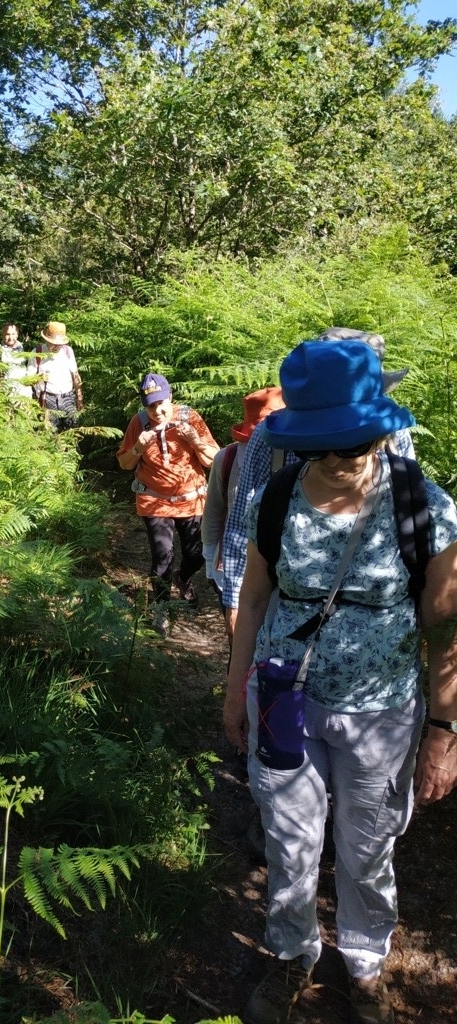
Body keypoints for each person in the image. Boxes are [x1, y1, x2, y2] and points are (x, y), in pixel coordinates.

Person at [222, 340, 457, 1024]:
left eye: (354, 440)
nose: (343, 455)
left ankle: (364, 961)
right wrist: (236, 687)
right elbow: (256, 600)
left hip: (382, 713)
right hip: (282, 699)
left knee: (367, 846)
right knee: (290, 842)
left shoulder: (426, 508)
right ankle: (291, 955)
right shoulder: (275, 498)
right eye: (328, 443)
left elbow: (445, 632)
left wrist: (443, 733)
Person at [221, 328, 413, 637]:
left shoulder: (394, 433)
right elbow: (242, 521)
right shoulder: (270, 438)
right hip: (284, 601)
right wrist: (235, 601)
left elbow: (409, 505)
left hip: (380, 610)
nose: (333, 459)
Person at [117, 373, 219, 637]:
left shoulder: (190, 418)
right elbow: (124, 464)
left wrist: (195, 441)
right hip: (154, 501)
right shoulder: (138, 424)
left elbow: (213, 461)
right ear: (144, 405)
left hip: (191, 499)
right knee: (162, 557)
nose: (157, 410)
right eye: (150, 405)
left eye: (161, 403)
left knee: (196, 554)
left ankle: (182, 579)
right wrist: (138, 448)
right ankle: (161, 610)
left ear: (171, 397)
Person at [202, 386, 284, 647]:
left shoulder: (299, 458)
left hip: (280, 569)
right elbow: (214, 508)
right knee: (238, 638)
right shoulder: (225, 459)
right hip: (231, 564)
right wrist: (209, 557)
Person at [33, 321, 83, 431]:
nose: (57, 346)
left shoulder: (68, 351)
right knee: (51, 432)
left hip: (68, 397)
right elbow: (27, 380)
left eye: (59, 344)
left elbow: (75, 375)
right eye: (53, 343)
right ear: (46, 339)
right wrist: (38, 378)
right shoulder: (37, 352)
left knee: (72, 430)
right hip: (47, 398)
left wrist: (79, 397)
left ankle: (70, 449)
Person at [0, 322, 33, 400]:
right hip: (7, 392)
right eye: (7, 334)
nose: (11, 337)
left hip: (23, 392)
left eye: (13, 334)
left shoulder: (21, 346)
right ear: (2, 335)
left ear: (17, 334)